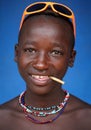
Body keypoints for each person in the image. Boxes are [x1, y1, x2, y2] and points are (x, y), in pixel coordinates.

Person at [0, 1, 91, 130]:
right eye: (30, 50)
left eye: (56, 52)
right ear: (17, 53)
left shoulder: (87, 119)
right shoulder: (2, 118)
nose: (41, 65)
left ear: (71, 58)